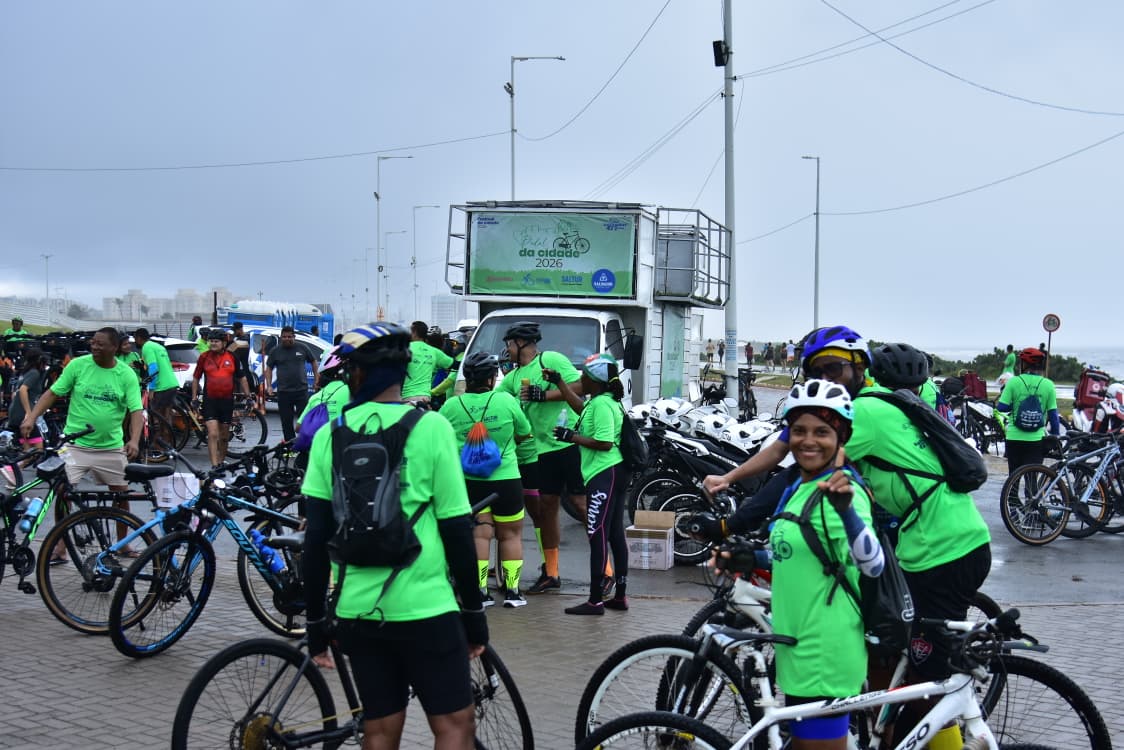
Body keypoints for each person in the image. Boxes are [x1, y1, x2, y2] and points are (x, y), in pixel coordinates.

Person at [300, 322, 487, 750]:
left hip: (356, 611)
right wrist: (475, 615)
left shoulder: (332, 435)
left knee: (380, 728)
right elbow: (458, 528)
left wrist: (315, 623)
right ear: (402, 374)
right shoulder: (431, 428)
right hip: (426, 609)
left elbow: (316, 539)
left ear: (358, 375)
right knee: (454, 725)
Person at [761, 379, 881, 750]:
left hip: (824, 655)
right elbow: (801, 555)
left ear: (841, 438)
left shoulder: (844, 492)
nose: (808, 440)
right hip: (797, 651)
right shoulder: (801, 486)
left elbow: (873, 564)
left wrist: (848, 514)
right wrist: (750, 557)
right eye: (798, 430)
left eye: (822, 432)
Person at [21, 328, 143, 554]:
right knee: (62, 493)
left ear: (114, 348)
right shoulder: (78, 365)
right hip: (74, 444)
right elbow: (52, 393)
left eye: (100, 344)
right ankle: (61, 543)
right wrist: (31, 417)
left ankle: (123, 542)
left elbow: (136, 410)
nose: (94, 347)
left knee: (122, 494)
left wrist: (134, 440)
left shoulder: (126, 374)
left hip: (110, 446)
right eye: (93, 342)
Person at [496, 321, 588, 595]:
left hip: (568, 442)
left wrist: (545, 395)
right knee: (547, 509)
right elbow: (493, 400)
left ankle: (605, 570)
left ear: (521, 343)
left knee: (581, 505)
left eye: (509, 344)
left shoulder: (551, 360)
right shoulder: (513, 379)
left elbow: (581, 386)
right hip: (543, 451)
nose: (507, 350)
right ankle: (551, 572)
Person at [439, 351, 533, 608]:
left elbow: (443, 440)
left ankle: (481, 592)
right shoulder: (506, 400)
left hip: (469, 481)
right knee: (511, 535)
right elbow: (525, 433)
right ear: (492, 379)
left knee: (479, 536)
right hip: (506, 479)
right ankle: (513, 592)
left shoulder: (451, 406)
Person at [550, 353, 630, 615]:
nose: (581, 379)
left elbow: (605, 442)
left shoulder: (602, 406)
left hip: (604, 473)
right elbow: (580, 409)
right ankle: (619, 596)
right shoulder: (604, 401)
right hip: (614, 472)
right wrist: (560, 384)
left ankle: (595, 600)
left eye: (584, 375)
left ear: (595, 380)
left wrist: (571, 437)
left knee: (597, 534)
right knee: (615, 534)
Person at [192, 329, 252, 468]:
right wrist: (194, 397)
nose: (213, 344)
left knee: (224, 437)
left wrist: (248, 397)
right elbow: (196, 377)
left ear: (224, 343)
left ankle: (220, 461)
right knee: (212, 434)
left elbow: (242, 377)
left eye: (216, 341)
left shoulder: (232, 357)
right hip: (210, 401)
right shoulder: (204, 357)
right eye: (211, 341)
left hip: (226, 401)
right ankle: (214, 466)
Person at [996, 347, 1059, 474]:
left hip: (1014, 437)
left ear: (1024, 364)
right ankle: (1031, 494)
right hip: (1036, 439)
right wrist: (1056, 435)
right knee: (1032, 480)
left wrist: (1015, 405)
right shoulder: (1048, 384)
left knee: (1013, 477)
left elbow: (1001, 407)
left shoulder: (1013, 382)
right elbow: (1053, 415)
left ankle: (1011, 494)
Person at [264, 325, 318, 442]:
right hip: (284, 393)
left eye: (289, 336)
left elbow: (313, 362)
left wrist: (316, 380)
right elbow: (268, 368)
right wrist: (268, 386)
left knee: (304, 420)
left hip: (301, 392)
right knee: (286, 422)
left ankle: (305, 446)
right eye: (284, 337)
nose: (287, 339)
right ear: (281, 337)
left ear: (294, 336)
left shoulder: (302, 348)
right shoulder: (276, 351)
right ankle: (290, 448)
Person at [133, 327, 179, 427]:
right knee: (166, 416)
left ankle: (158, 441)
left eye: (135, 339)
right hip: (172, 383)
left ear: (139, 338)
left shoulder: (147, 347)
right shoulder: (158, 346)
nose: (136, 342)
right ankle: (168, 440)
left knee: (156, 417)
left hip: (161, 386)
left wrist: (152, 389)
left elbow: (153, 368)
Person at [402, 321, 453, 405]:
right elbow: (455, 365)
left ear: (414, 332)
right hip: (426, 398)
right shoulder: (435, 352)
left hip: (407, 397)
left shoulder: (405, 348)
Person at [6, 349, 47, 449]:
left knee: (27, 451)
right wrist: (29, 413)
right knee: (38, 450)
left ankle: (15, 465)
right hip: (23, 415)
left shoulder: (25, 373)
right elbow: (23, 390)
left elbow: (15, 393)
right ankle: (10, 465)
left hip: (16, 412)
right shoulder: (34, 373)